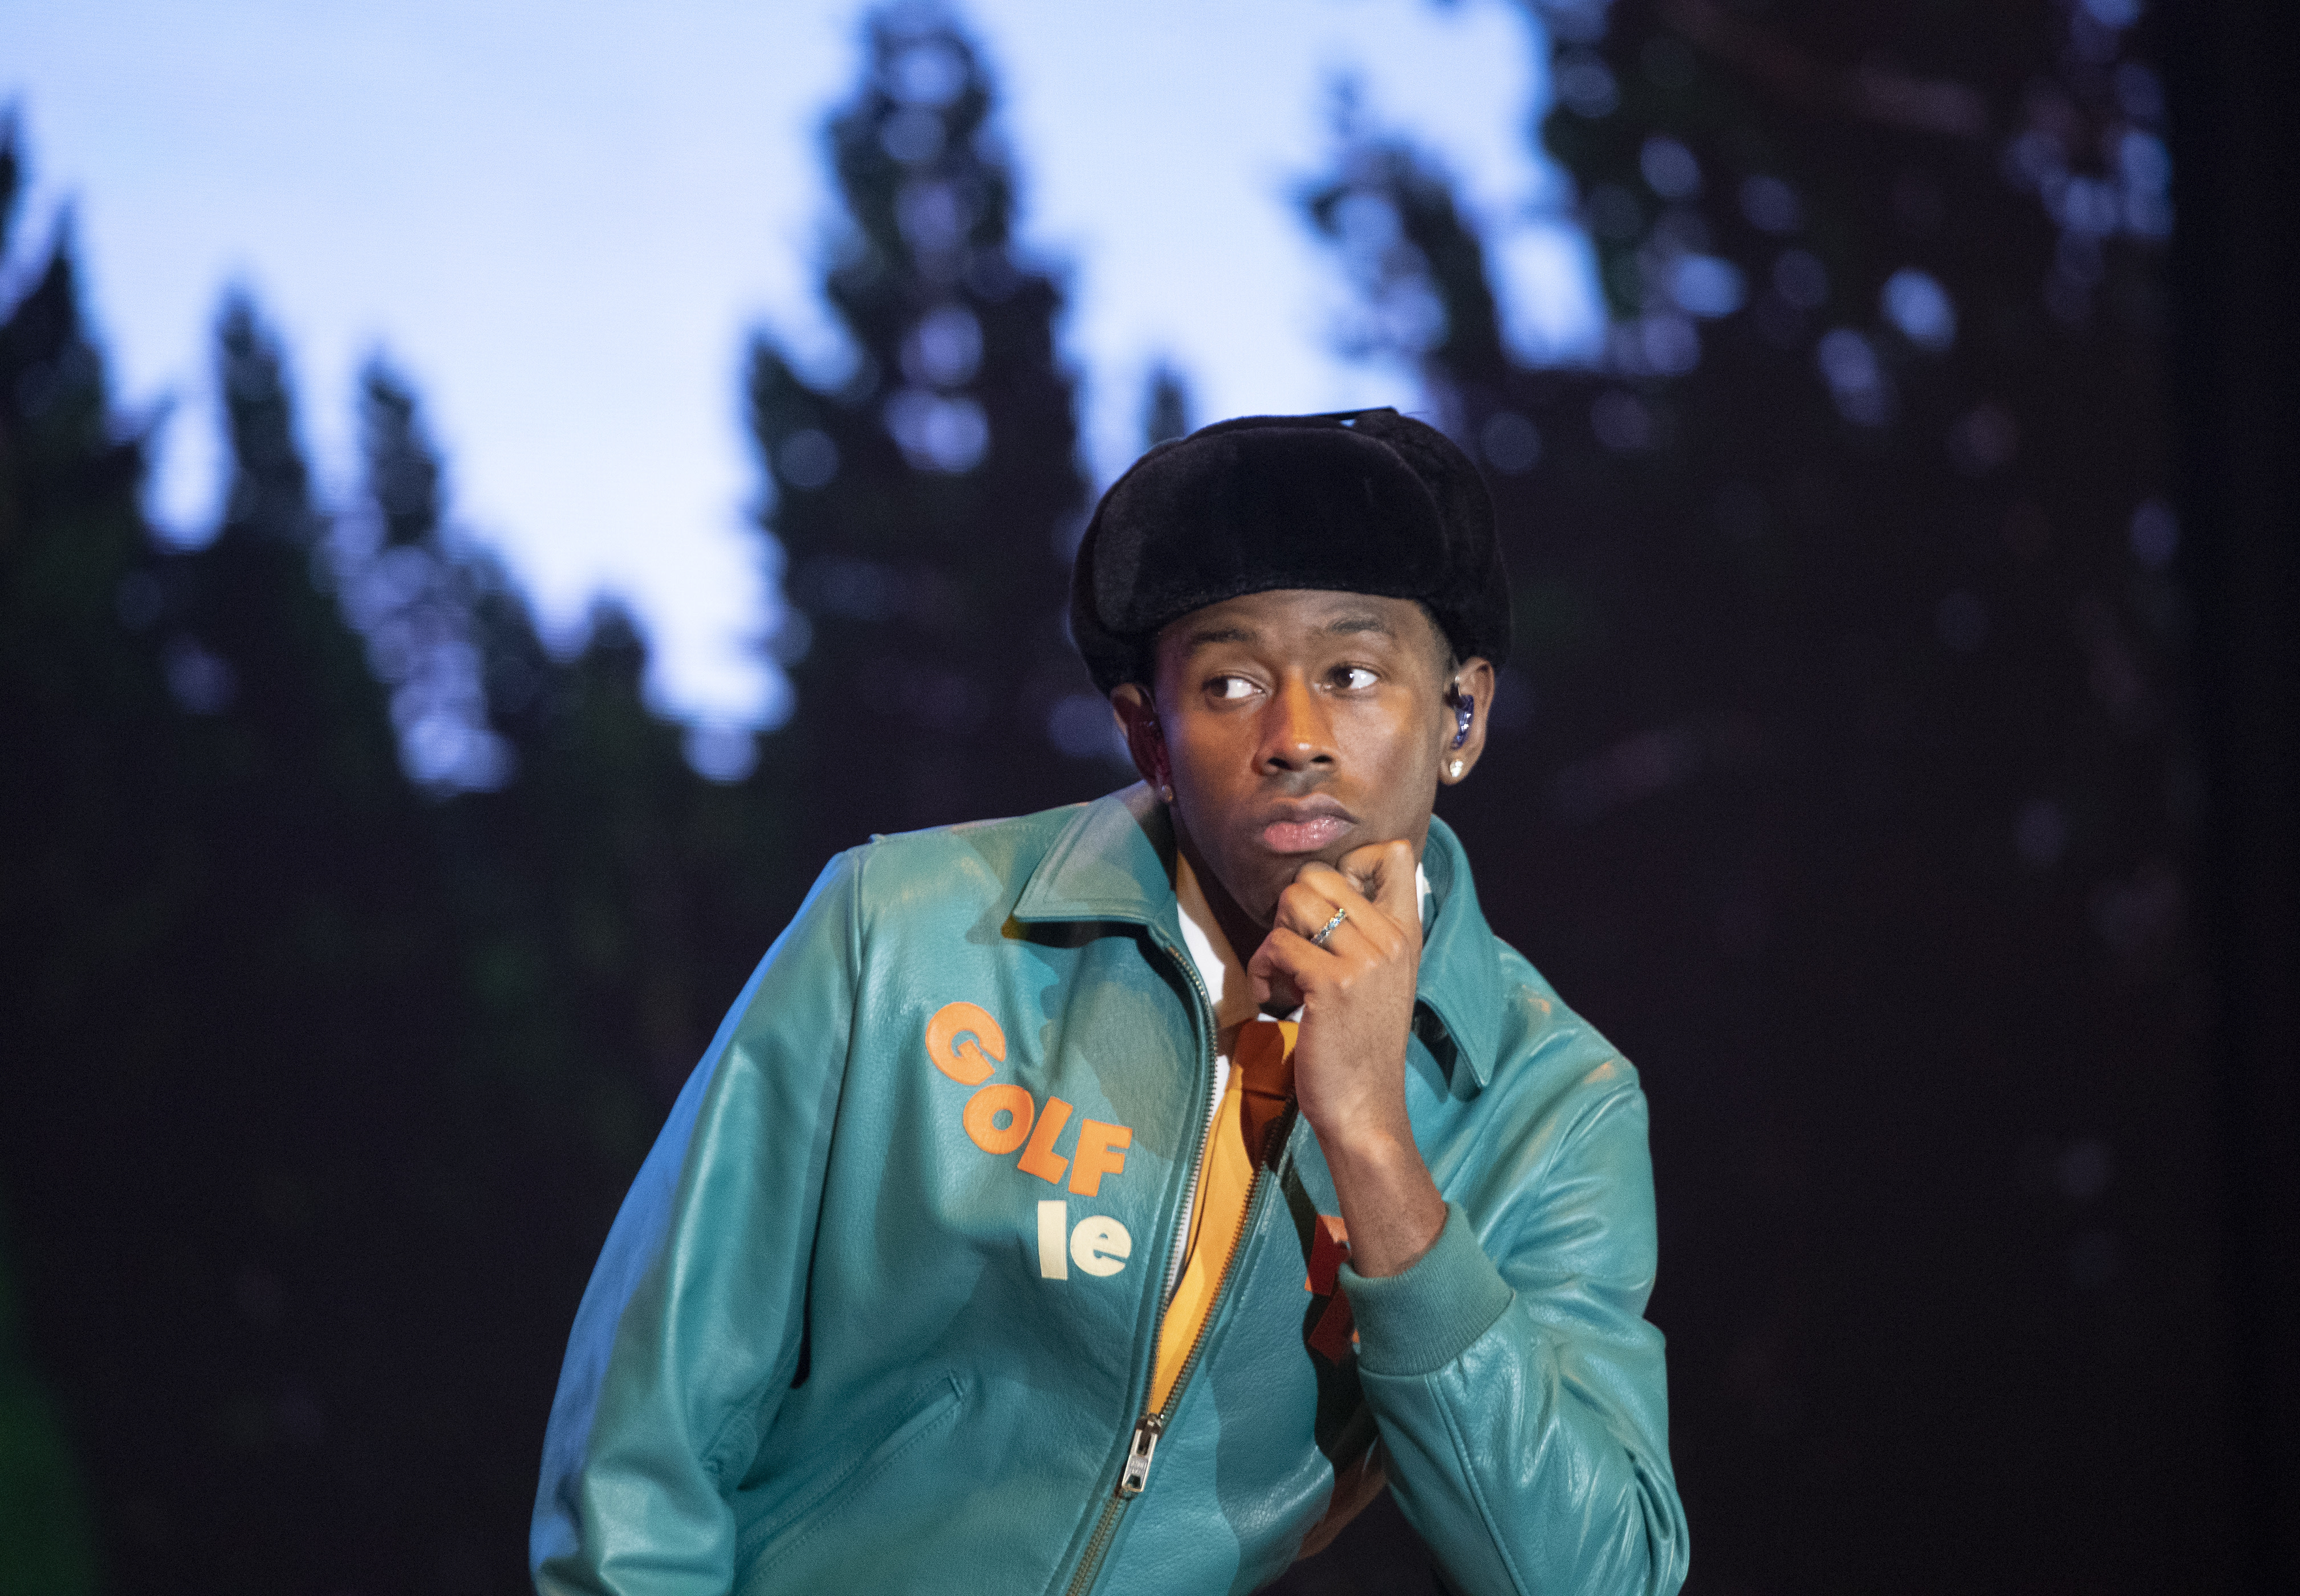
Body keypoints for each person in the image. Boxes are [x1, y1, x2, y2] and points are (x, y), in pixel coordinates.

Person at [531, 409, 1688, 1595]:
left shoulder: (1557, 1106)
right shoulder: (906, 930)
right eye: (1230, 681)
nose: (1294, 737)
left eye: (1352, 674)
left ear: (1461, 716)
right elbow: (644, 1443)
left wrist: (1377, 1146)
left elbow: (1598, 1577)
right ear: (1150, 732)